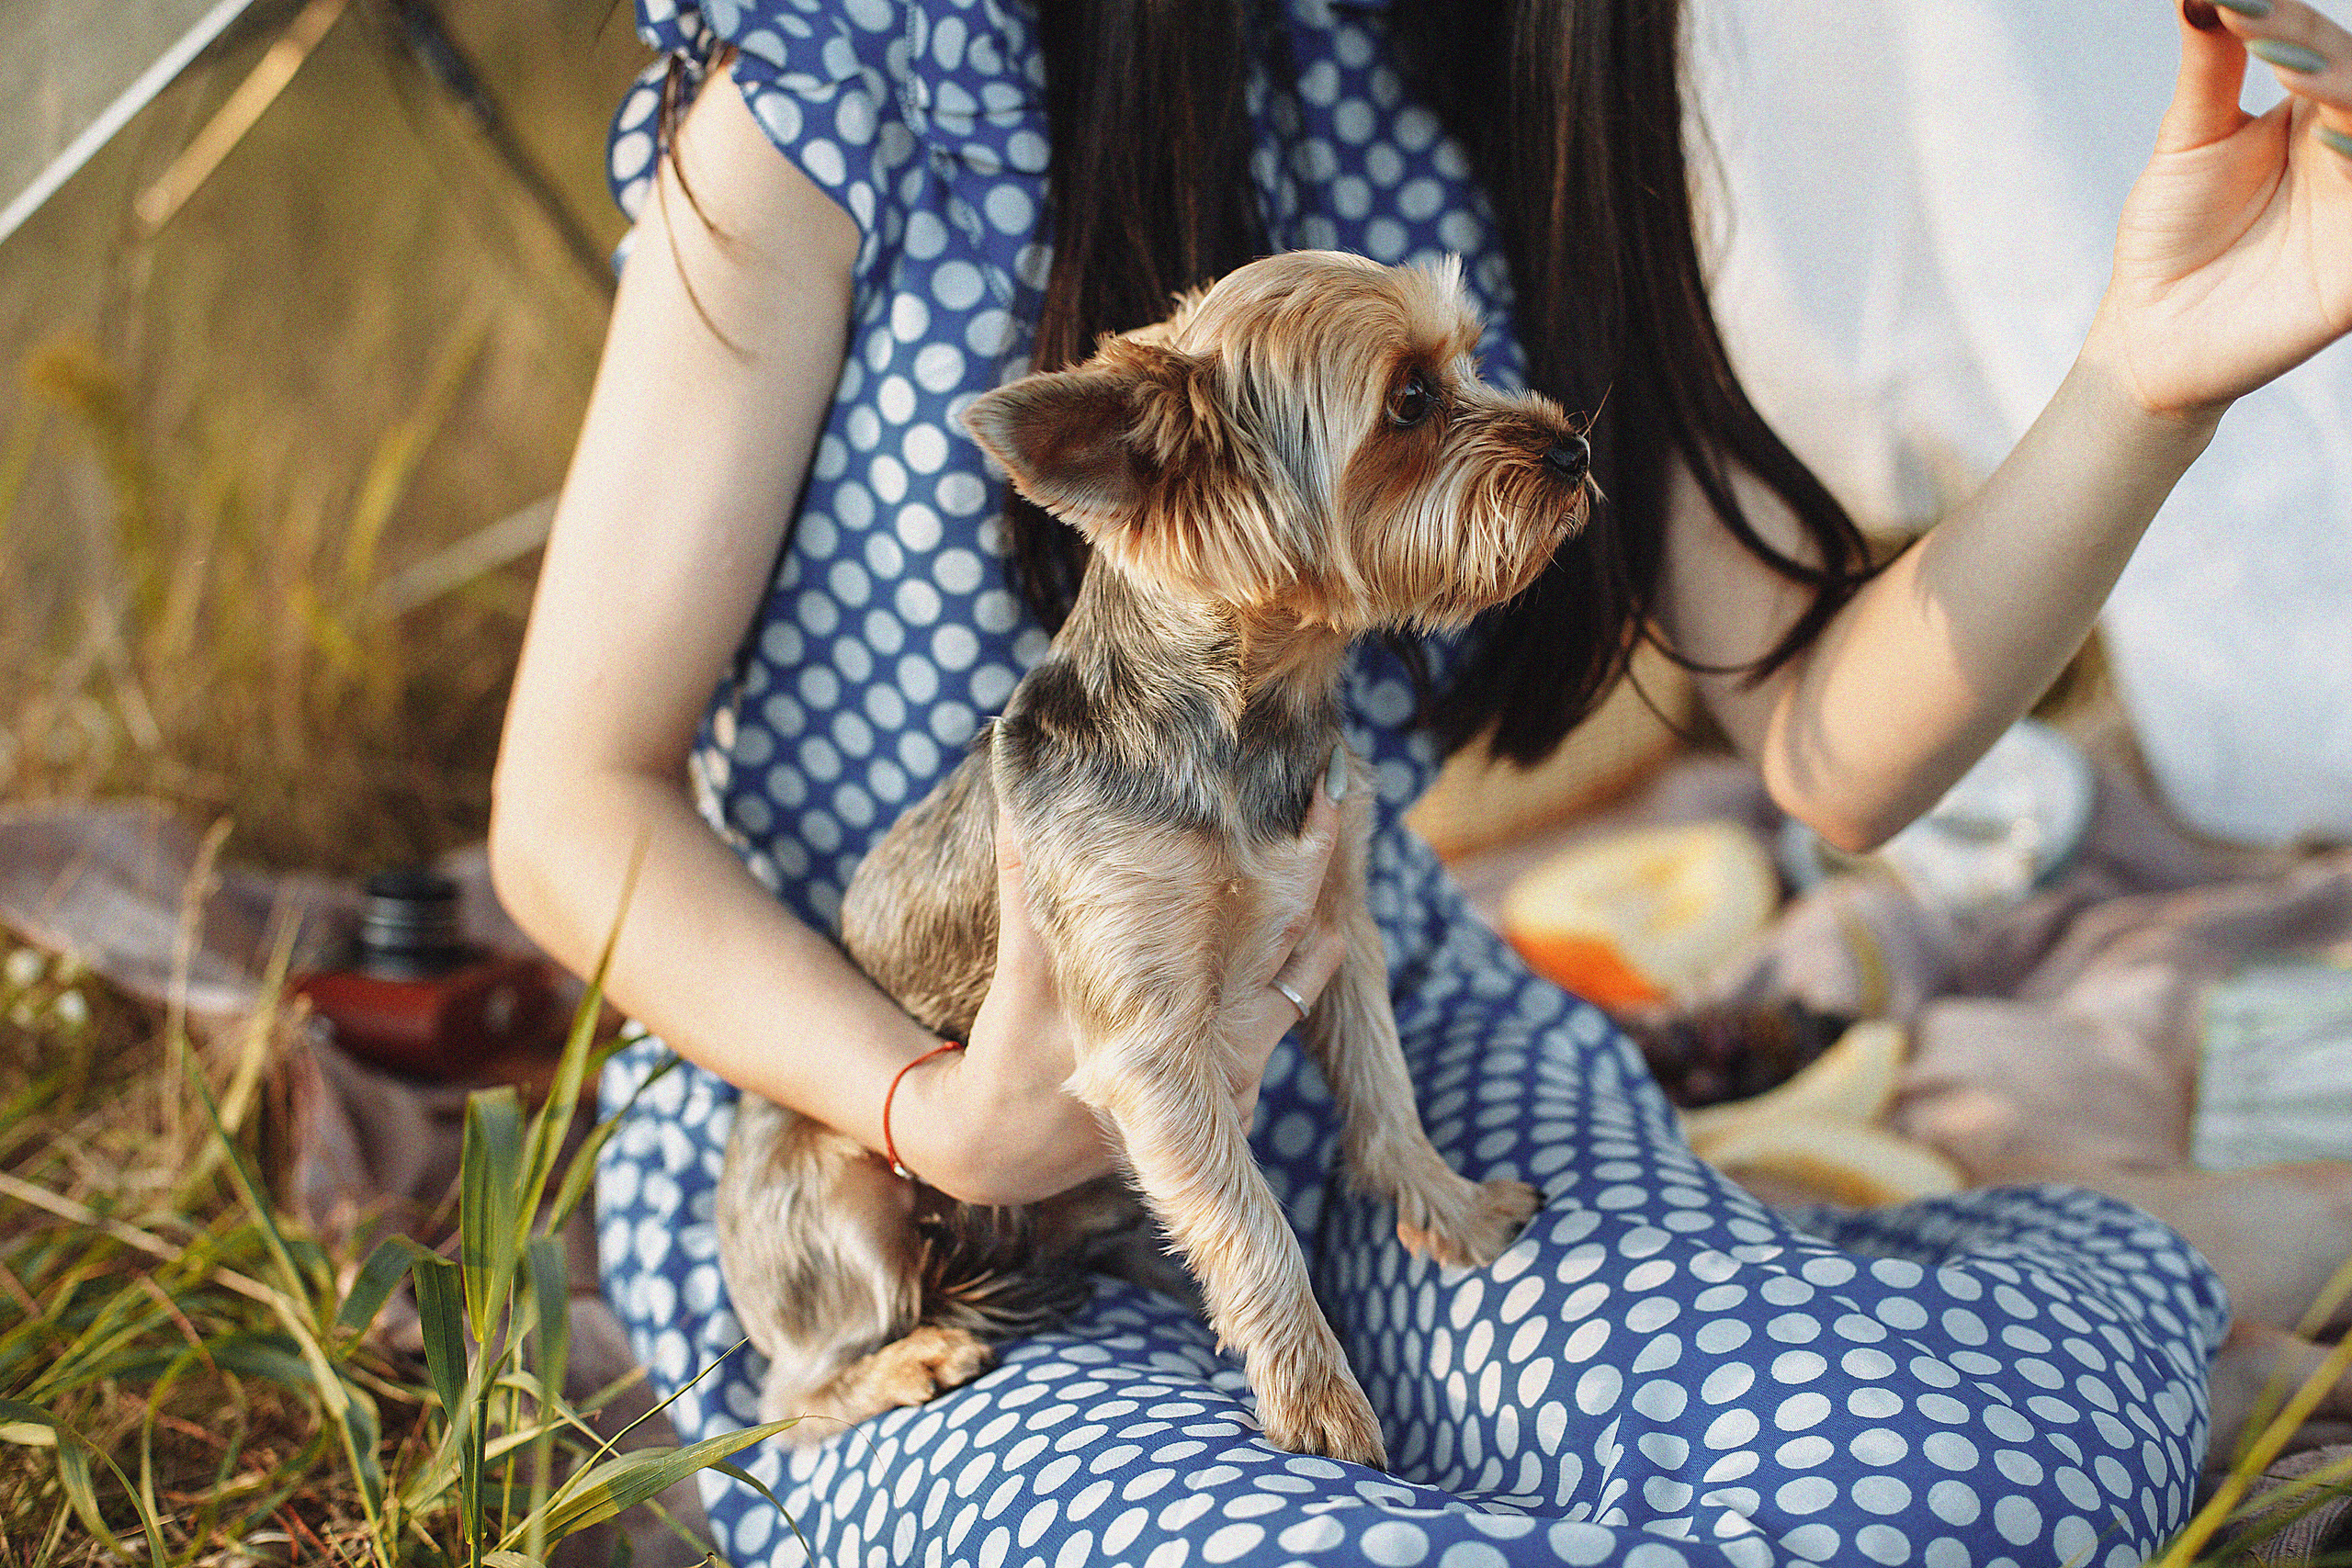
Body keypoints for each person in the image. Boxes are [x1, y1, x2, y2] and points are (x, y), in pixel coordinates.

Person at [489, 1, 2352, 1562]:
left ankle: (2065, 1266)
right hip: (870, 1144)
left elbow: (1819, 740)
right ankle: (2024, 1273)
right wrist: (930, 1112)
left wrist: (2147, 377)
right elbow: (571, 805)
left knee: (1917, 1490)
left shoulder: (1536, 71)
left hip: (1364, 1035)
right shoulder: (852, 77)